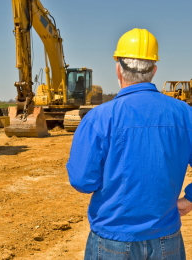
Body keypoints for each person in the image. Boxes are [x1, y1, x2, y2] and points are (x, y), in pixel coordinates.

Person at [66, 28, 192, 259]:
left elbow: (83, 181)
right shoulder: (185, 114)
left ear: (118, 69)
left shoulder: (98, 118)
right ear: (154, 70)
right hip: (167, 240)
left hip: (112, 241)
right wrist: (190, 199)